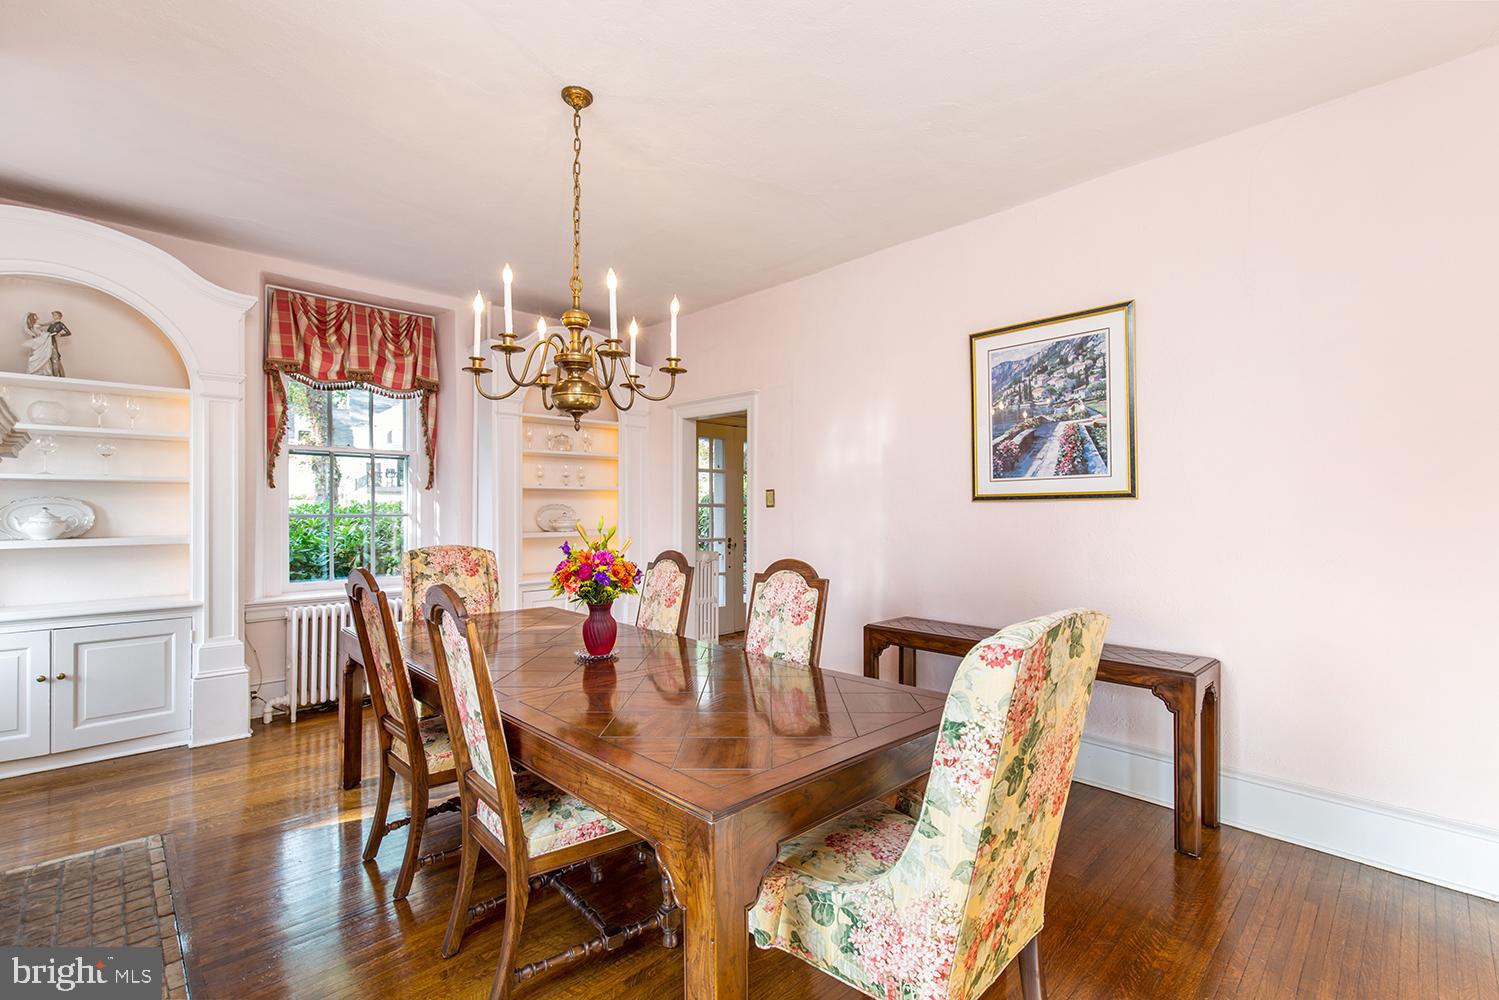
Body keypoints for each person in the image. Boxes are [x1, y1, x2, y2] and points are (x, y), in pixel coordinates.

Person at [23, 310, 70, 377]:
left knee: (53, 357)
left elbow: (68, 333)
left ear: (59, 316)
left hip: (48, 341)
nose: (53, 316)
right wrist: (48, 334)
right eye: (53, 315)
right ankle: (48, 372)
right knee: (46, 357)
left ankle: (56, 375)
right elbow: (41, 331)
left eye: (55, 315)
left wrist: (58, 334)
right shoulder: (37, 325)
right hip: (44, 341)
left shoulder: (60, 324)